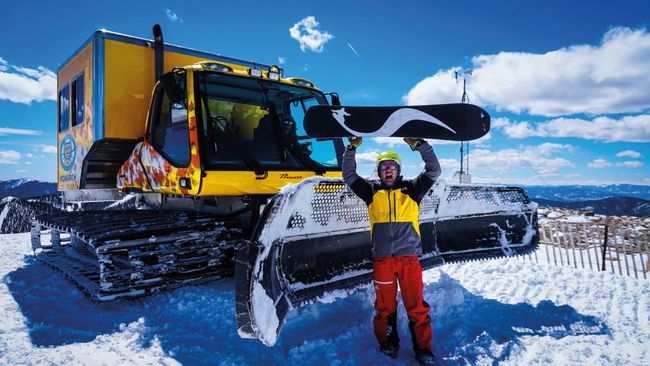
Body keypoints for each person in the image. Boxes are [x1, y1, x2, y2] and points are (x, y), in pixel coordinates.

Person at [342, 136, 441, 366]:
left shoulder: (413, 189)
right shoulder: (371, 192)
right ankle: (388, 344)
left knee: (416, 307)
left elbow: (434, 170)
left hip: (409, 261)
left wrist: (420, 146)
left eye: (392, 167)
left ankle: (423, 350)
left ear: (398, 170)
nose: (388, 171)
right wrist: (351, 149)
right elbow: (349, 176)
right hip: (383, 262)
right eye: (383, 167)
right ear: (379, 172)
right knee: (384, 307)